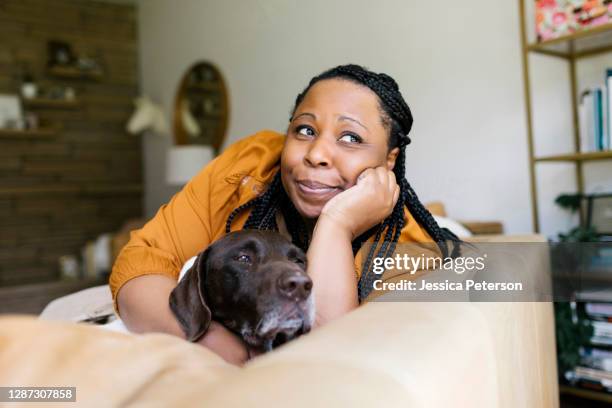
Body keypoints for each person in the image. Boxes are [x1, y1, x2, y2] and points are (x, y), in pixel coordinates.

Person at [110, 64, 459, 366]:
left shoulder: (411, 251)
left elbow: (325, 357)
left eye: (350, 137)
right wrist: (215, 344)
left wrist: (336, 225)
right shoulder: (249, 166)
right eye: (305, 130)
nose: (317, 154)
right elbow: (140, 267)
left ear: (388, 161)